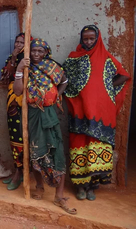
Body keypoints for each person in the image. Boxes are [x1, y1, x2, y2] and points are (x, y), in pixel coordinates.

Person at [63, 25, 130, 201]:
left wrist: (105, 87)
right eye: (85, 39)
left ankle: (92, 186)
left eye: (92, 38)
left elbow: (124, 75)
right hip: (79, 112)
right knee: (79, 145)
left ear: (97, 38)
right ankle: (80, 187)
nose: (88, 42)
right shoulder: (73, 59)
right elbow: (64, 79)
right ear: (81, 39)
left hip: (100, 113)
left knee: (95, 147)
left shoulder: (107, 59)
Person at [14, 38, 76, 215]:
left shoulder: (52, 68)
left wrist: (58, 96)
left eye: (40, 51)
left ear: (46, 52)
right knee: (36, 151)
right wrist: (19, 69)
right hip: (32, 114)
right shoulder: (25, 67)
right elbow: (18, 91)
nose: (36, 54)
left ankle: (59, 194)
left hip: (49, 114)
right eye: (33, 51)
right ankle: (39, 187)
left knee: (56, 151)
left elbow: (64, 81)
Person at [1, 33, 27, 190]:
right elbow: (4, 78)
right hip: (12, 103)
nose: (18, 44)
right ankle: (18, 170)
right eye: (16, 42)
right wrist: (13, 59)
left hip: (27, 103)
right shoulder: (12, 58)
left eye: (22, 42)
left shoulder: (31, 60)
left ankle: (23, 172)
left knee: (25, 139)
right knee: (14, 137)